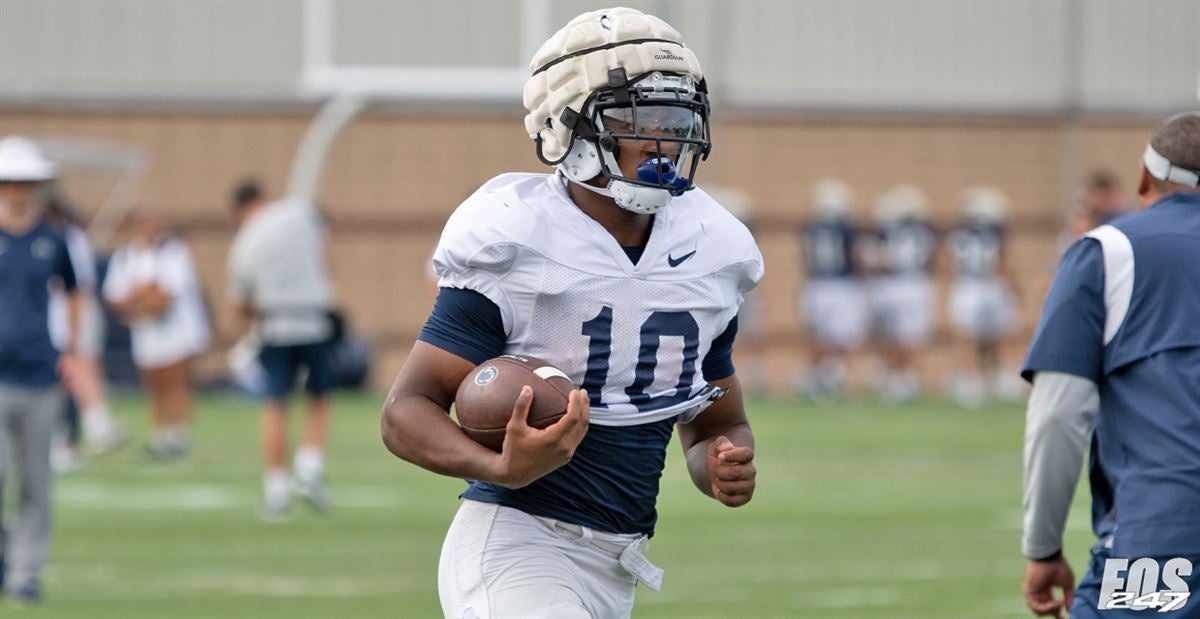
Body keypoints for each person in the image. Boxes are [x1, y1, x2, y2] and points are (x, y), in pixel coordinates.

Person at [381, 8, 763, 618]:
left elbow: (716, 419)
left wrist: (720, 462)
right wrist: (496, 466)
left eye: (676, 118)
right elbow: (405, 411)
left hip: (618, 561)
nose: (665, 139)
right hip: (519, 543)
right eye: (638, 118)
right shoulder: (522, 237)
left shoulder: (713, 251)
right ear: (568, 128)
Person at [1020, 111, 1200, 618]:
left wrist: (1043, 549)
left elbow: (1057, 414)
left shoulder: (1110, 252)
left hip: (1165, 539)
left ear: (1144, 178)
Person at [0, 136, 81, 604]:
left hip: (38, 375)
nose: (18, 190)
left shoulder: (53, 240)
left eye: (26, 182)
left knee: (35, 481)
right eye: (10, 182)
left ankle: (26, 572)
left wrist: (69, 348)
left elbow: (74, 291)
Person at [227, 180, 336, 519]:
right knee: (318, 398)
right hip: (313, 318)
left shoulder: (243, 241)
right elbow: (322, 248)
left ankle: (276, 489)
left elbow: (241, 302)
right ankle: (309, 466)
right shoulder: (296, 212)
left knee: (275, 404)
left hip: (274, 324)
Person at [103, 210, 209, 460]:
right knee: (154, 383)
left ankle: (178, 433)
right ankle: (160, 434)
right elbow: (116, 295)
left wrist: (140, 296)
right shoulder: (125, 256)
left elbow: (167, 294)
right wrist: (142, 296)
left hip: (176, 329)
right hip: (146, 331)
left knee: (177, 380)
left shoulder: (173, 252)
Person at [45, 197, 125, 471]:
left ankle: (83, 431)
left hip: (72, 318)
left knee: (76, 372)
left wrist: (73, 332)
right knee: (75, 374)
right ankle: (92, 425)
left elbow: (76, 286)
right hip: (59, 320)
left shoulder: (67, 239)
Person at [946, 187, 1023, 406]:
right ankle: (1006, 378)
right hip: (993, 283)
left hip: (967, 284)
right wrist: (1014, 289)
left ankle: (972, 381)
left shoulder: (960, 231)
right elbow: (1004, 261)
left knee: (967, 337)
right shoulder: (995, 231)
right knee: (1003, 335)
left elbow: (950, 259)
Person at [865, 184, 937, 402]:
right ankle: (907, 378)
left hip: (893, 282)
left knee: (893, 336)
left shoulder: (887, 230)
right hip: (916, 283)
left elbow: (876, 259)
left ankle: (896, 378)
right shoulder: (924, 230)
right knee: (910, 336)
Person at [797, 178, 867, 398]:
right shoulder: (845, 229)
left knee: (820, 337)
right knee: (838, 339)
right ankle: (829, 378)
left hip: (816, 285)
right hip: (840, 286)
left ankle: (817, 378)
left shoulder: (811, 228)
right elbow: (855, 258)